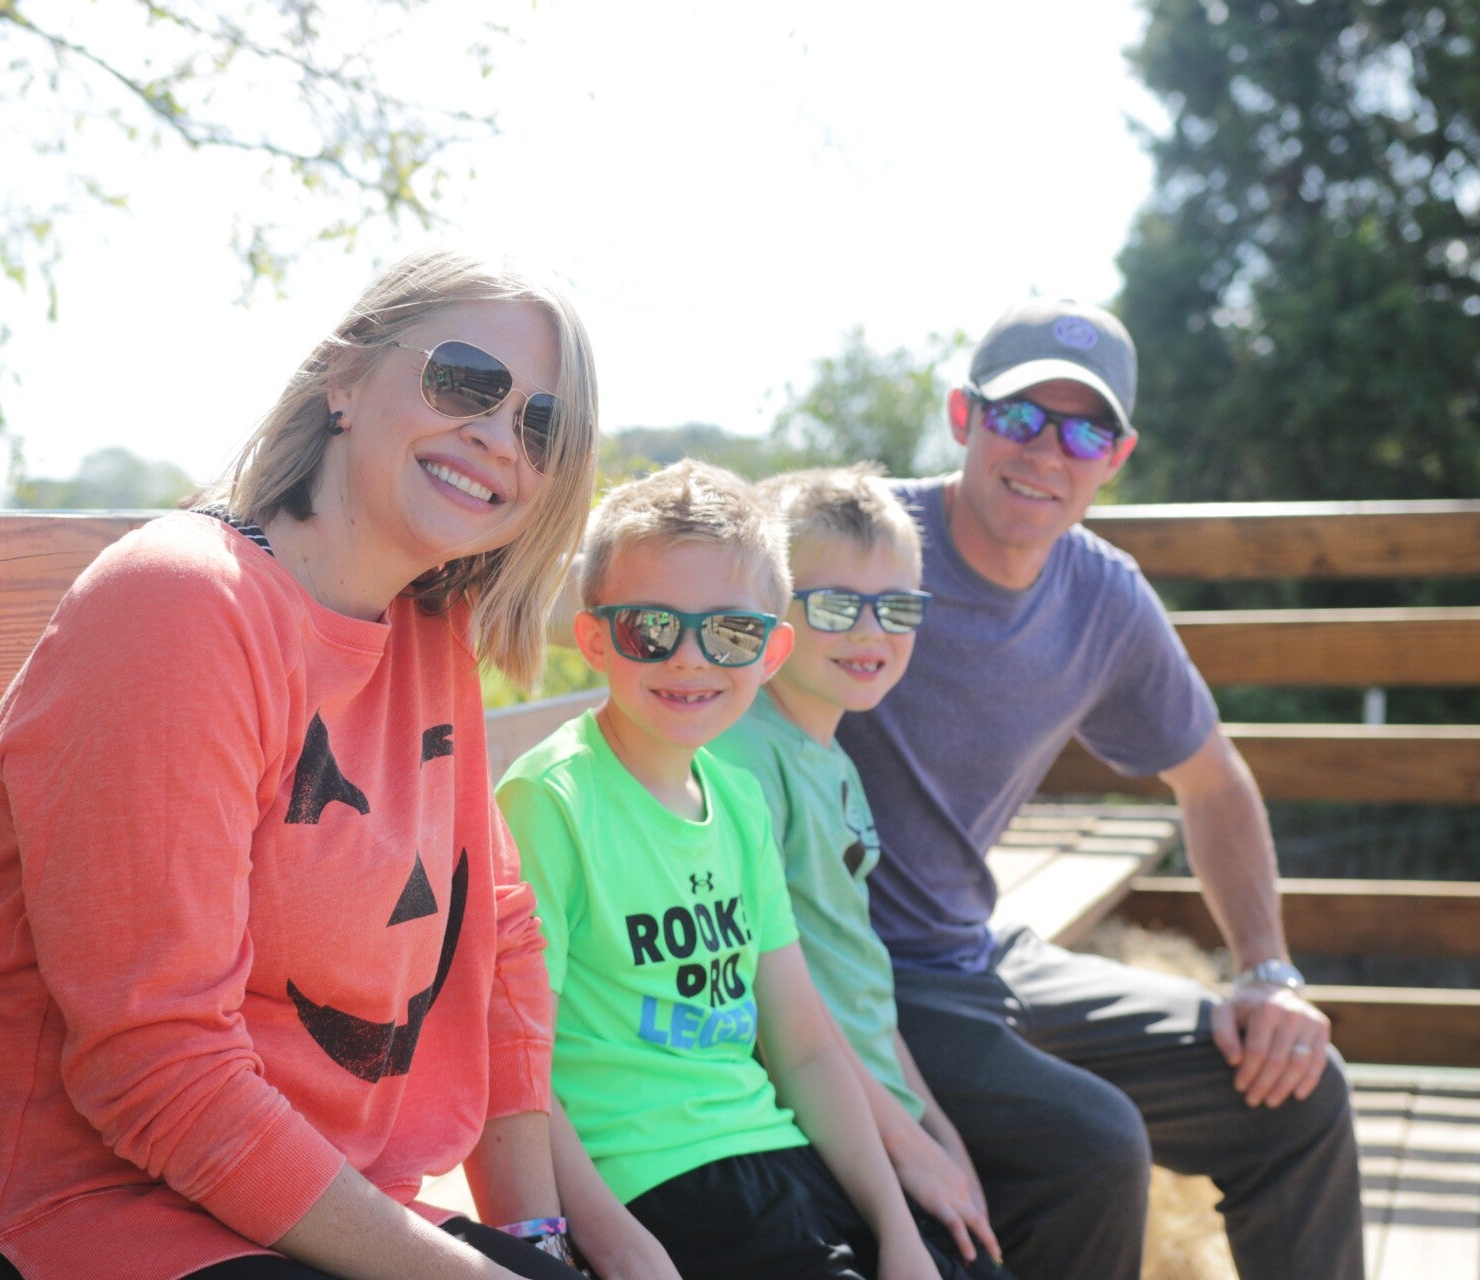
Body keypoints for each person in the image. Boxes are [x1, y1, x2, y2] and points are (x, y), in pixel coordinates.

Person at [0, 248, 601, 1280]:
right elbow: (156, 1065)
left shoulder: (431, 633)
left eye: (543, 426)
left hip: (288, 1212)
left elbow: (498, 932)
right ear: (346, 377)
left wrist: (539, 1241)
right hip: (55, 1218)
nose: (498, 435)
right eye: (466, 380)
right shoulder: (183, 606)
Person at [833, 298, 1365, 1280]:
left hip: (976, 956)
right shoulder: (861, 544)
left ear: (1117, 457)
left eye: (1084, 432)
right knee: (1096, 1142)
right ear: (963, 415)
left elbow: (1215, 780)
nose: (1048, 452)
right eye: (1020, 416)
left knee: (1299, 1087)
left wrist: (1266, 971)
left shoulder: (1103, 595)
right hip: (856, 971)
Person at [495, 461, 1005, 1280]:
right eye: (650, 629)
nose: (690, 658)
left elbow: (805, 1048)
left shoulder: (736, 802)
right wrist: (610, 1238)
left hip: (775, 1148)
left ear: (771, 651)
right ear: (593, 640)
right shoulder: (551, 803)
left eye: (730, 633)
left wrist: (897, 1228)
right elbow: (512, 1061)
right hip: (650, 1181)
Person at [711, 465, 1002, 1270]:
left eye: (897, 607)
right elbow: (778, 1003)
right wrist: (906, 1146)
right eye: (837, 605)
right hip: (818, 1124)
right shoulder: (743, 760)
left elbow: (859, 974)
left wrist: (936, 1128)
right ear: (774, 613)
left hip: (881, 1107)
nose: (872, 632)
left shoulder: (832, 757)